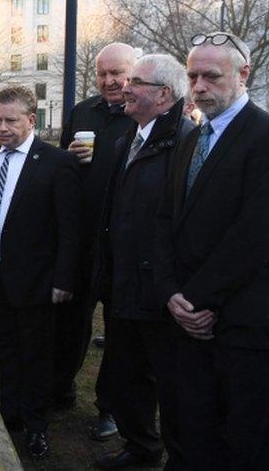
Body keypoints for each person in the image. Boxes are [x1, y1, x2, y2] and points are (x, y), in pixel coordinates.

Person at [155, 32, 269, 470]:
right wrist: (171, 294)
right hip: (187, 319)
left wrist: (198, 300)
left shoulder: (262, 136)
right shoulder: (191, 137)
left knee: (242, 439)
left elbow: (254, 235)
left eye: (211, 76)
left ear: (243, 74)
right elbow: (165, 220)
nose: (199, 86)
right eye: (192, 76)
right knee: (192, 429)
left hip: (241, 324)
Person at [0, 85, 82, 459]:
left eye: (10, 120)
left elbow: (70, 227)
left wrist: (64, 279)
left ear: (31, 120)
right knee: (6, 346)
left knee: (36, 353)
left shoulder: (56, 162)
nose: (1, 127)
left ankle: (36, 425)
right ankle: (10, 412)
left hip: (39, 279)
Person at [93, 54, 192, 470]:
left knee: (167, 380)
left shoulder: (186, 143)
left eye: (137, 81)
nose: (126, 88)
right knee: (127, 371)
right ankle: (141, 448)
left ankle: (177, 456)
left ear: (164, 95)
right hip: (124, 282)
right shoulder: (130, 137)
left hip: (159, 288)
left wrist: (168, 283)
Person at [55, 42, 139, 440]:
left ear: (134, 73)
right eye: (102, 73)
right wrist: (69, 158)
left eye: (117, 73)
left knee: (119, 327)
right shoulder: (82, 111)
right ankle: (62, 388)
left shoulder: (144, 113)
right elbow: (61, 169)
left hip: (124, 242)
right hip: (83, 236)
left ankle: (109, 407)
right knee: (71, 320)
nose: (109, 81)